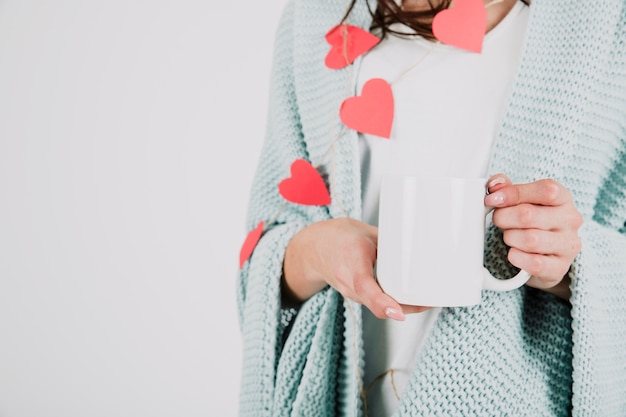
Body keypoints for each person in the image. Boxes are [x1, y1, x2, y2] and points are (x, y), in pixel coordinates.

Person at [237, 0, 626, 415]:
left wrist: (568, 262)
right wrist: (317, 251)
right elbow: (263, 255)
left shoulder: (608, 22)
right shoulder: (315, 14)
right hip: (343, 397)